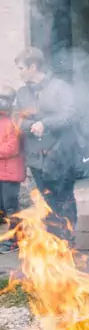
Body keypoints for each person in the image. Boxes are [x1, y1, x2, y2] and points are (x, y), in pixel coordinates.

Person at [14, 47, 77, 243]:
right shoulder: (22, 93)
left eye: (21, 67)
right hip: (36, 158)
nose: (19, 72)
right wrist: (31, 125)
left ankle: (68, 241)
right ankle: (52, 243)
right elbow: (16, 118)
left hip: (60, 156)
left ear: (33, 67)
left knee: (63, 200)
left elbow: (70, 115)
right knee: (45, 200)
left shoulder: (60, 88)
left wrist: (45, 124)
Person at [0, 83, 24, 253]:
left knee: (11, 208)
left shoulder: (13, 123)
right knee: (3, 208)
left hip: (10, 173)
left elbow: (12, 148)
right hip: (2, 172)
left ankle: (15, 240)